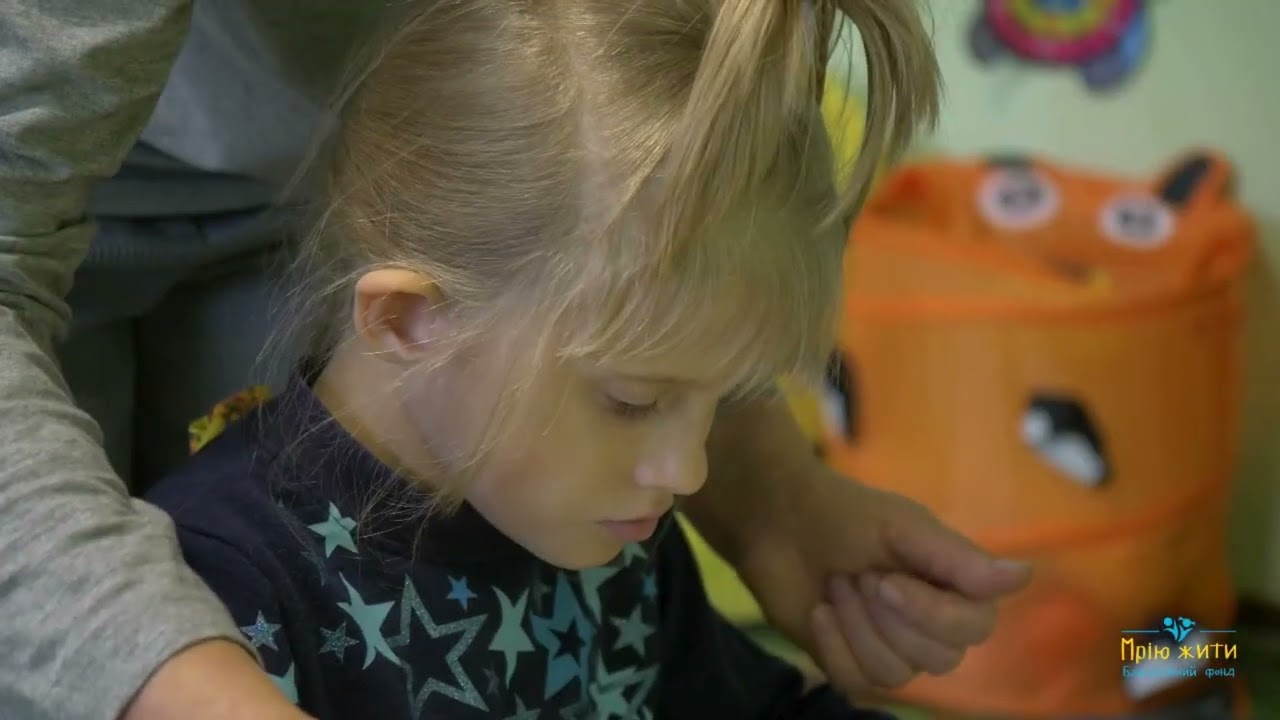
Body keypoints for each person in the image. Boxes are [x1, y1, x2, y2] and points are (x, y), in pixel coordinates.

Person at [0, 1, 1031, 719]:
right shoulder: (233, 578)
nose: (689, 474)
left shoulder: (597, 525)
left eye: (717, 399)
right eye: (634, 400)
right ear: (409, 322)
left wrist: (780, 504)